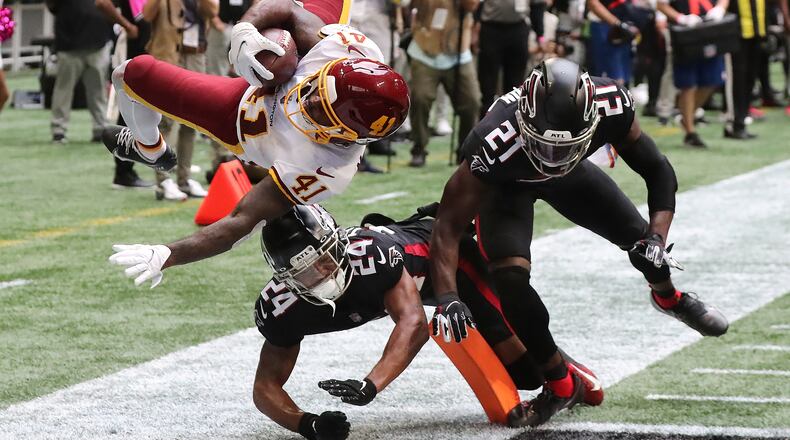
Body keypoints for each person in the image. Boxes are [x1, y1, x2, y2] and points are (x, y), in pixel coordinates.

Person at [428, 58, 730, 427]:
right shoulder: (492, 143)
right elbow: (447, 225)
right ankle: (560, 384)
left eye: (564, 147)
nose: (552, 158)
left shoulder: (611, 104)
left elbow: (657, 169)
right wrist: (447, 297)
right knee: (509, 282)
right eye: (546, 146)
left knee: (644, 247)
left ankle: (671, 298)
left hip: (574, 175)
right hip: (508, 187)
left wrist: (656, 237)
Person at [100, 0, 409, 288]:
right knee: (127, 72)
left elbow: (241, 220)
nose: (307, 100)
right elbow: (287, 9)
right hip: (274, 81)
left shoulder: (325, 168)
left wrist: (168, 255)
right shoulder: (341, 52)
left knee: (132, 72)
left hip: (240, 117)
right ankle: (149, 147)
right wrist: (245, 30)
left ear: (345, 136)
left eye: (319, 110)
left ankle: (149, 151)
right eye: (317, 89)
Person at [248, 204, 603, 439]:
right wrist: (308, 424)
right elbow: (265, 388)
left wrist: (370, 384)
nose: (321, 274)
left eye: (323, 259)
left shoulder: (369, 257)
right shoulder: (282, 306)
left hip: (449, 268)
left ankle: (564, 370)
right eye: (305, 272)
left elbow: (414, 325)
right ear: (285, 277)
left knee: (527, 374)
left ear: (336, 242)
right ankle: (553, 361)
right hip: (411, 287)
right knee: (522, 369)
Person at [406, 0, 481, 167]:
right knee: (420, 97)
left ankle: (465, 150)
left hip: (458, 51)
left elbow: (472, 6)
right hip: (424, 50)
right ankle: (419, 147)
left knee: (472, 101)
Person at [96, 0, 155, 189]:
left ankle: (127, 170)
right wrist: (127, 25)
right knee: (130, 113)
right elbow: (102, 3)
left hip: (147, 50)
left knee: (141, 113)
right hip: (134, 52)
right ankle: (123, 172)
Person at [657, 0, 728, 148]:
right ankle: (690, 131)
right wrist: (680, 18)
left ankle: (687, 115)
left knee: (712, 80)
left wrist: (720, 8)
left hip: (711, 29)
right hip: (686, 34)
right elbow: (661, 4)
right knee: (687, 84)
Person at [45, 0, 118, 143]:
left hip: (97, 39)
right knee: (64, 89)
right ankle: (59, 130)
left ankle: (100, 128)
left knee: (97, 90)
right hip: (70, 42)